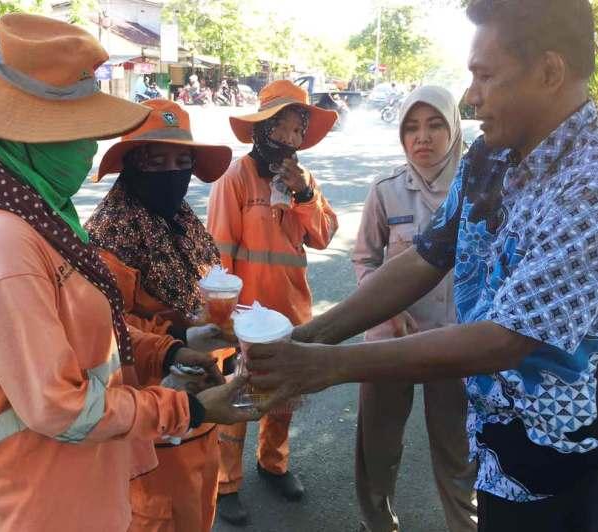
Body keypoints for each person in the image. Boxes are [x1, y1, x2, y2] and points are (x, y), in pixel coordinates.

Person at [247, 2, 598, 531]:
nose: (471, 97)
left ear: (550, 72)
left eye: (484, 75)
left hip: (566, 460)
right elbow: (425, 256)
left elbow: (507, 337)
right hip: (498, 437)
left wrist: (327, 367)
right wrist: (309, 337)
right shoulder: (489, 160)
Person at [0, 14, 258, 532]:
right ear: (20, 137)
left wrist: (169, 348)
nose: (87, 149)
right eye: (76, 130)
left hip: (88, 483)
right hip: (45, 503)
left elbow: (89, 340)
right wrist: (187, 410)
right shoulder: (1, 244)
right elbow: (63, 408)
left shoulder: (40, 222)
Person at [85, 99, 235, 532]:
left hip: (202, 397)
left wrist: (225, 339)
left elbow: (207, 288)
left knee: (199, 501)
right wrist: (177, 340)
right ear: (133, 164)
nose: (173, 172)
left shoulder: (182, 217)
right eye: (158, 161)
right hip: (152, 412)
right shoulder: (111, 235)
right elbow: (109, 329)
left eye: (182, 160)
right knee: (156, 514)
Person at [208, 79, 339, 525]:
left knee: (282, 399)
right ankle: (225, 483)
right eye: (280, 128)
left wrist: (304, 195)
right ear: (261, 129)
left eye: (296, 130)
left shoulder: (304, 181)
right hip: (246, 320)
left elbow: (323, 235)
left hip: (290, 314)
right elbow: (219, 261)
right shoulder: (236, 180)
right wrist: (224, 326)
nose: (289, 139)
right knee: (237, 404)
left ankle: (273, 464)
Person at [352, 85, 476, 532]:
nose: (422, 137)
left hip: (456, 344)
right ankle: (377, 522)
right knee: (377, 448)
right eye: (411, 128)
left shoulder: (478, 189)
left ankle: (465, 523)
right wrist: (385, 309)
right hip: (390, 341)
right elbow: (364, 259)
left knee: (458, 451)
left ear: (454, 128)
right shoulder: (386, 191)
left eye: (435, 125)